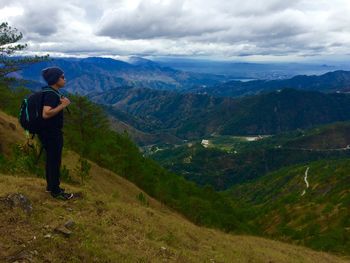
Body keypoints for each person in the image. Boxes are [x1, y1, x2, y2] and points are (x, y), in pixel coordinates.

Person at [39, 67, 73, 200]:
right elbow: (46, 113)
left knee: (51, 160)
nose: (65, 79)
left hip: (48, 133)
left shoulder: (49, 92)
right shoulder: (51, 94)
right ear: (55, 79)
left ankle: (51, 187)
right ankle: (56, 191)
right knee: (54, 161)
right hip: (51, 133)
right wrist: (63, 105)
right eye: (63, 77)